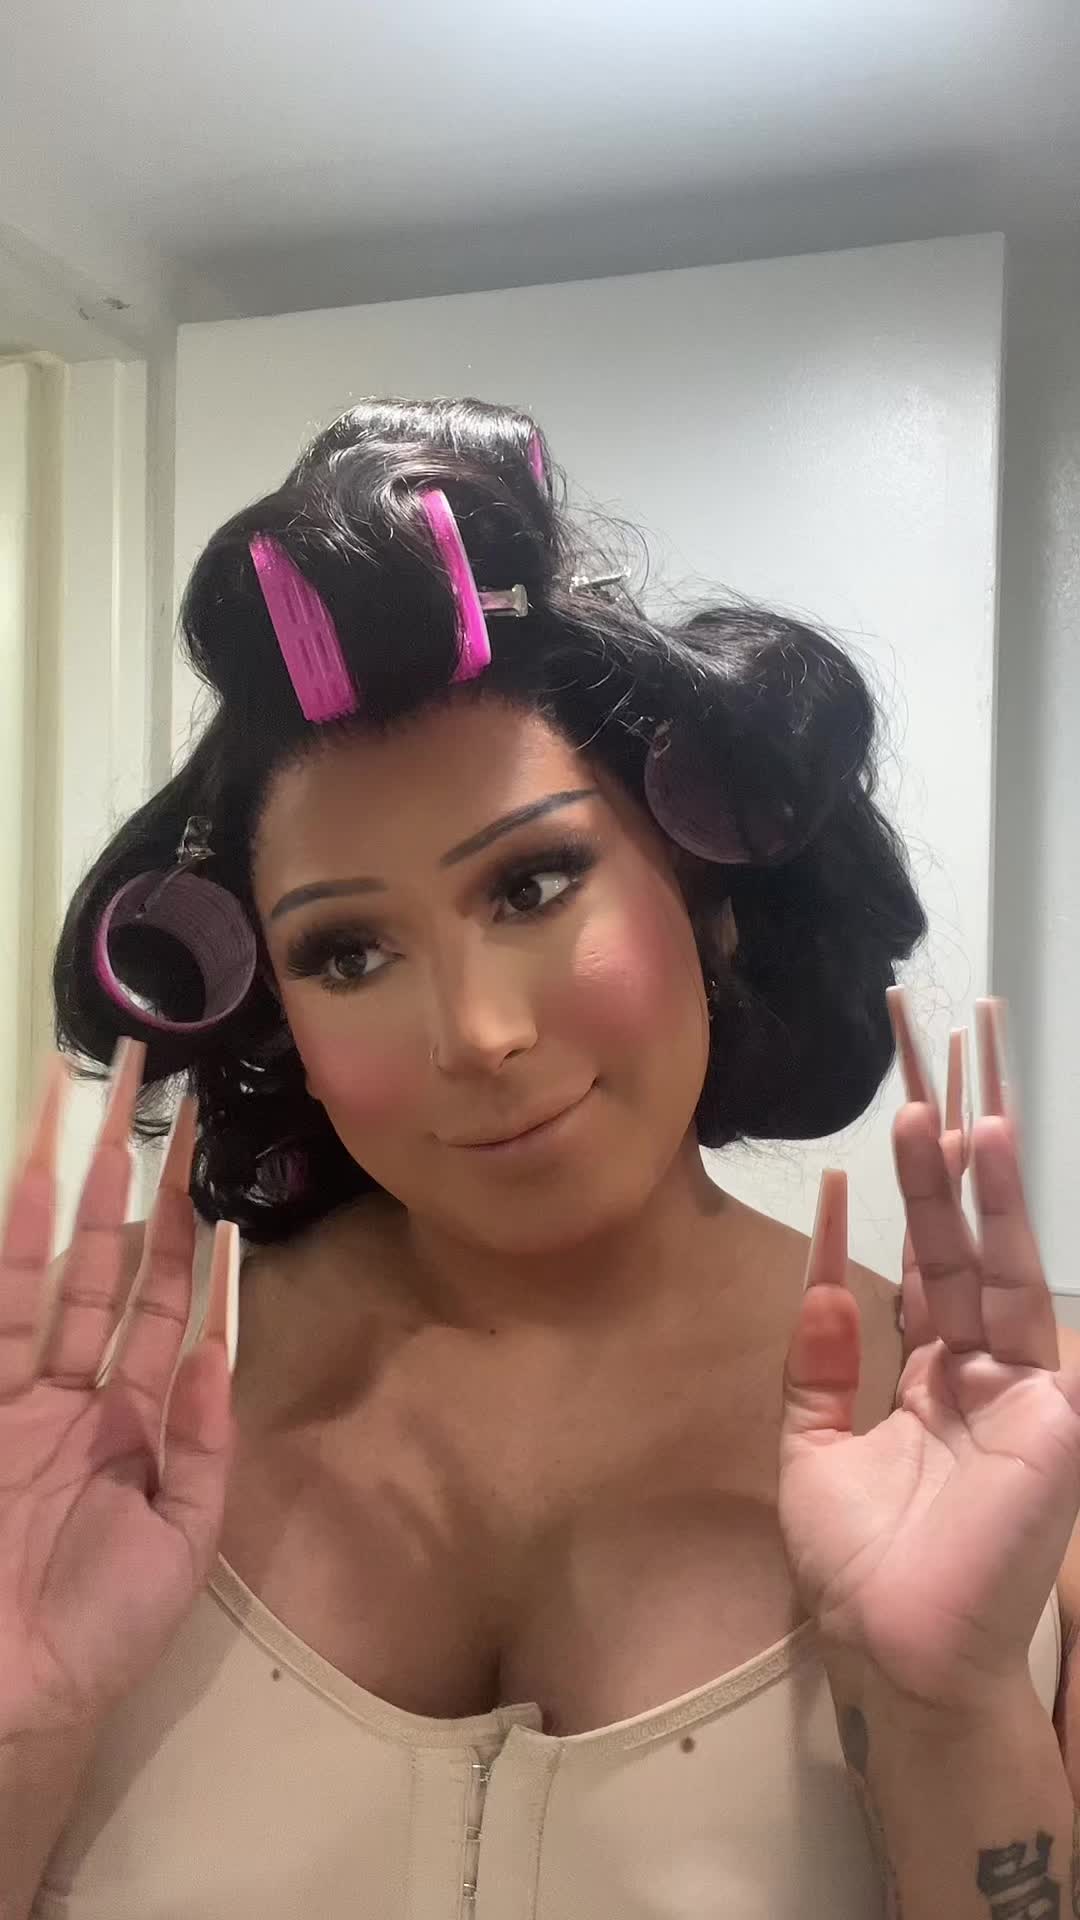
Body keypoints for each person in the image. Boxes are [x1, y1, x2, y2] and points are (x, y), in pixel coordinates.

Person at [0, 397, 1065, 1918]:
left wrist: (952, 1713)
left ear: (704, 892)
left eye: (534, 883)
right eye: (349, 951)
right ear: (273, 1008)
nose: (479, 1034)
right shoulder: (67, 1451)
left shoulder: (1009, 1462)